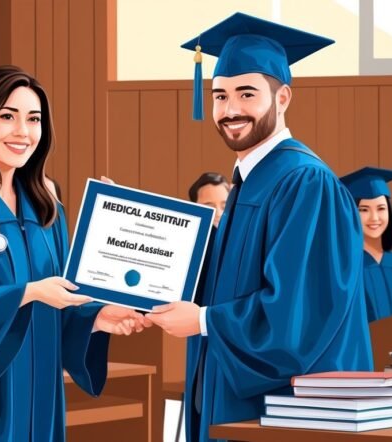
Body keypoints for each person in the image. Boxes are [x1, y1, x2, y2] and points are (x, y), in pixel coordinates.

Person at [146, 13, 373, 442]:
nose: (230, 110)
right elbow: (223, 283)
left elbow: (298, 315)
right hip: (235, 402)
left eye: (246, 93)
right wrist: (137, 226)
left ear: (283, 96)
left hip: (279, 415)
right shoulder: (250, 182)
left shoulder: (305, 183)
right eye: (219, 95)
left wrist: (205, 321)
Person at [0, 65, 148, 441]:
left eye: (34, 119)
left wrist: (97, 319)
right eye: (7, 116)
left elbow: (62, 300)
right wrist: (29, 292)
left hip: (38, 394)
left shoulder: (47, 210)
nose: (23, 131)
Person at [340, 167, 392, 322]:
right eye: (364, 210)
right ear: (352, 214)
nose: (374, 217)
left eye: (381, 208)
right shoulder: (347, 269)